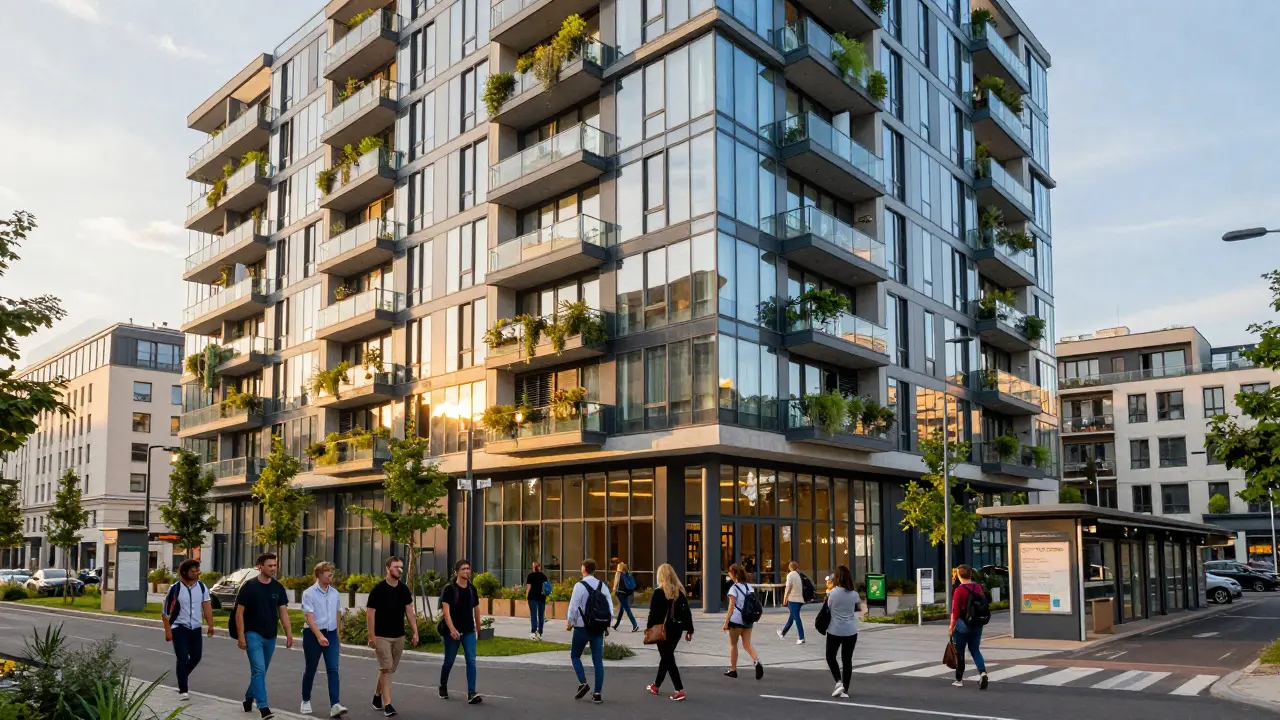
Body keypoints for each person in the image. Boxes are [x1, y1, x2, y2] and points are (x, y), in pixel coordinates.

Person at [235, 553, 293, 720]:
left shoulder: (277, 587)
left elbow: (283, 611)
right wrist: (241, 636)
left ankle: (248, 698)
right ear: (260, 567)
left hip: (271, 635)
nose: (273, 568)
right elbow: (240, 613)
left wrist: (288, 633)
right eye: (270, 565)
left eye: (275, 565)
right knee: (259, 669)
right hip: (253, 634)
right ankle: (263, 707)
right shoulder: (249, 586)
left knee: (261, 671)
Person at [366, 557, 418, 717]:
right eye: (396, 567)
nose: (400, 570)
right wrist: (371, 636)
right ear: (388, 568)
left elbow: (409, 611)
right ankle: (387, 704)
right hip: (381, 636)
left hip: (399, 636)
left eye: (401, 567)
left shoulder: (403, 589)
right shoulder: (378, 590)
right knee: (387, 669)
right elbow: (370, 614)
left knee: (389, 670)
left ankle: (377, 696)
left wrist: (415, 631)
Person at [161, 558, 215, 702]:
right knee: (183, 658)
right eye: (193, 571)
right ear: (185, 572)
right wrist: (168, 631)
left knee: (196, 657)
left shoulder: (202, 587)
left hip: (196, 628)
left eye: (198, 570)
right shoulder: (175, 588)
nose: (197, 573)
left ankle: (181, 676)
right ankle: (183, 689)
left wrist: (211, 625)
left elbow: (206, 606)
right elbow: (165, 612)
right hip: (179, 628)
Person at [301, 561, 347, 717]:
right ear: (319, 575)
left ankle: (335, 704)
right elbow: (308, 617)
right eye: (327, 572)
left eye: (331, 572)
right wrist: (319, 636)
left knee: (333, 669)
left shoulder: (334, 593)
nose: (330, 574)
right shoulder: (309, 593)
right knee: (311, 668)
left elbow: (338, 613)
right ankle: (305, 700)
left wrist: (337, 636)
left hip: (331, 634)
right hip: (313, 635)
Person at [644, 563, 694, 701]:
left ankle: (679, 689)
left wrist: (649, 629)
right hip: (676, 630)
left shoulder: (658, 593)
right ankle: (656, 685)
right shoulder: (680, 592)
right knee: (667, 657)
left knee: (668, 658)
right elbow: (687, 613)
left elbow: (653, 614)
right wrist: (689, 630)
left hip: (662, 630)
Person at [566, 558, 612, 704]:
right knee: (597, 661)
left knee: (575, 655)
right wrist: (606, 625)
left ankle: (583, 682)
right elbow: (609, 608)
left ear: (584, 569)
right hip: (598, 628)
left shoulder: (579, 586)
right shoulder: (602, 585)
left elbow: (573, 606)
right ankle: (597, 693)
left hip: (581, 627)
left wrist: (570, 621)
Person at [439, 559, 482, 704]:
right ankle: (443, 685)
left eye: (468, 568)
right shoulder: (449, 589)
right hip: (453, 632)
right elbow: (446, 612)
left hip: (468, 630)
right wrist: (452, 629)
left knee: (471, 660)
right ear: (456, 572)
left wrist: (478, 627)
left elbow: (476, 608)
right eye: (463, 569)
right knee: (449, 661)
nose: (467, 571)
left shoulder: (472, 589)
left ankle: (471, 692)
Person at [823, 565, 863, 698]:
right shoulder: (854, 594)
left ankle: (838, 682)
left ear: (837, 577)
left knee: (830, 656)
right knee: (847, 660)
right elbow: (858, 608)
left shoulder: (832, 593)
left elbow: (828, 607)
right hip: (851, 631)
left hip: (835, 630)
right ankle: (845, 689)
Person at [948, 564, 989, 690]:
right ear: (971, 574)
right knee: (975, 649)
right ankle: (983, 672)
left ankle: (959, 679)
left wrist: (951, 627)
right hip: (977, 623)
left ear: (959, 575)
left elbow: (955, 611)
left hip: (963, 623)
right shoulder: (978, 587)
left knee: (960, 651)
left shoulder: (959, 591)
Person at [722, 564, 763, 680]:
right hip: (748, 619)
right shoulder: (749, 587)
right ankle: (756, 661)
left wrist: (726, 622)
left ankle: (733, 670)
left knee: (733, 645)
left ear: (733, 573)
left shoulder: (734, 588)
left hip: (736, 620)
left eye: (730, 572)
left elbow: (731, 607)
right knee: (747, 644)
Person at [777, 561, 806, 645]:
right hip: (799, 599)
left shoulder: (790, 575)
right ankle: (782, 633)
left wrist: (785, 598)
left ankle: (801, 637)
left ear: (790, 567)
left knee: (796, 618)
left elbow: (788, 587)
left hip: (793, 599)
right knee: (792, 618)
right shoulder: (798, 575)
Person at [611, 562, 639, 632]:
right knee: (621, 609)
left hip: (620, 594)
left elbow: (615, 584)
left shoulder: (618, 573)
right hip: (626, 593)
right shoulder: (627, 574)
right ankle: (616, 625)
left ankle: (635, 625)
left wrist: (614, 590)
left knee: (627, 610)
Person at [526, 561, 549, 640]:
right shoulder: (544, 576)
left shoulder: (530, 576)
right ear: (539, 567)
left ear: (533, 567)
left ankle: (534, 631)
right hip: (542, 597)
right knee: (541, 615)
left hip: (532, 597)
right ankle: (540, 631)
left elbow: (529, 587)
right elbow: (546, 587)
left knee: (533, 615)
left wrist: (526, 596)